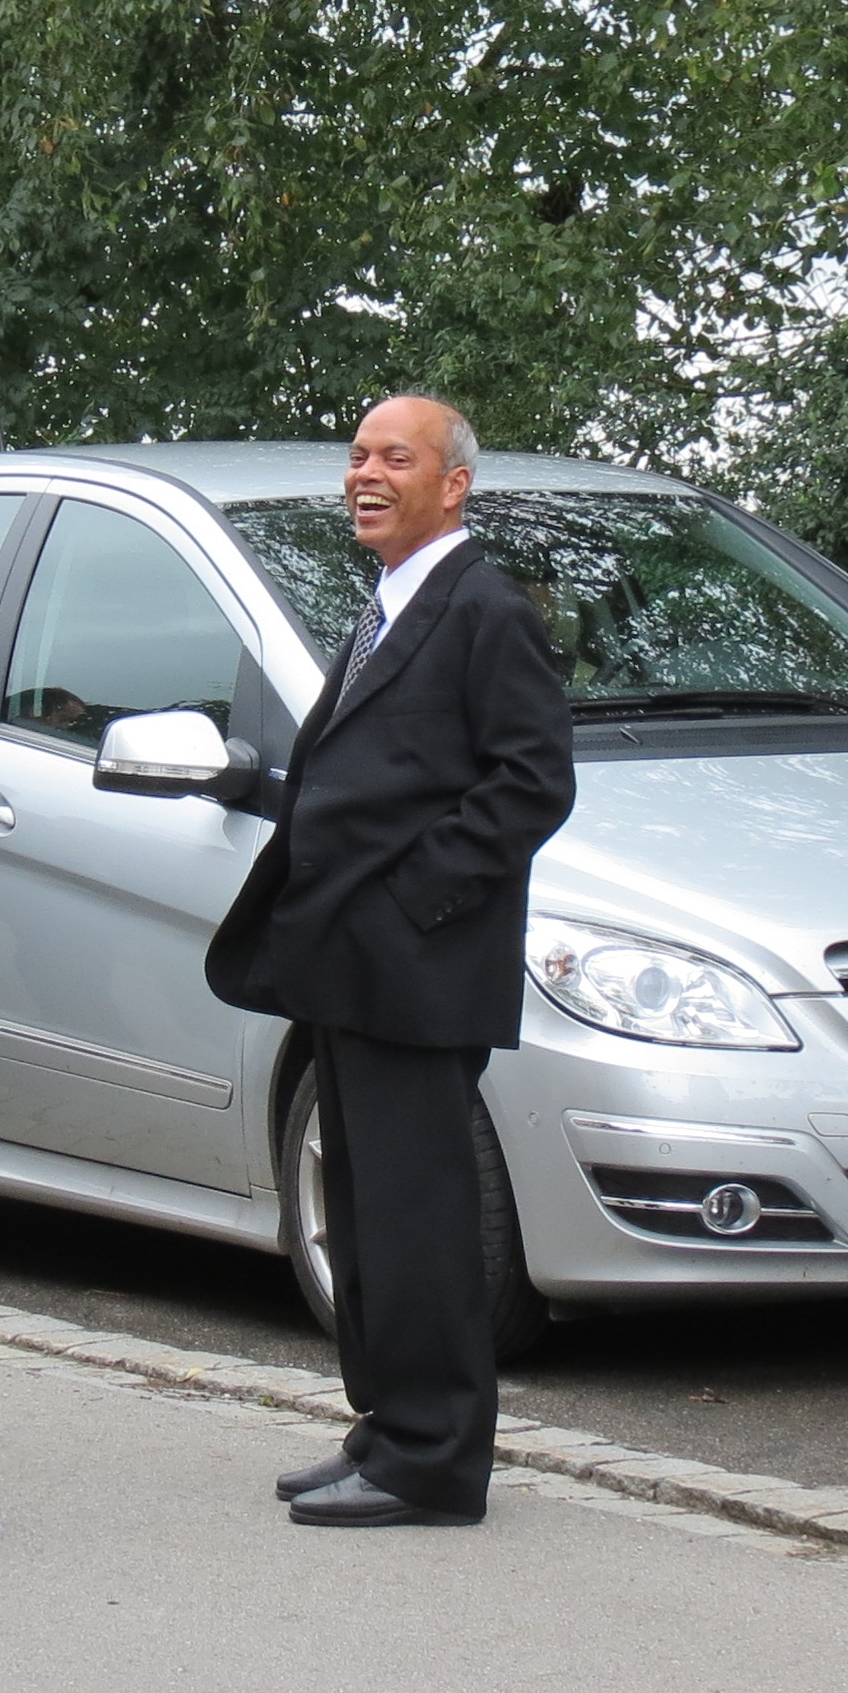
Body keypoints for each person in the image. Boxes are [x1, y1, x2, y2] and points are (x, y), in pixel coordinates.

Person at [204, 394, 576, 1529]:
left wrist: (415, 900)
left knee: (419, 1218)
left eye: (393, 458)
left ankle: (436, 1459)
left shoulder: (484, 609)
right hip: (345, 969)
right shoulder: (388, 603)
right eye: (357, 455)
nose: (363, 474)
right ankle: (387, 1425)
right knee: (365, 1214)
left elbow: (531, 783)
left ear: (453, 485)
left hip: (417, 970)